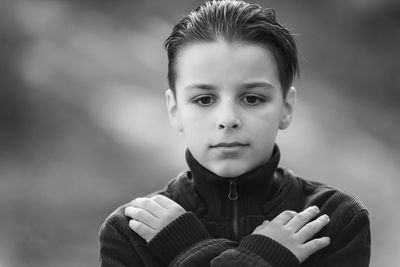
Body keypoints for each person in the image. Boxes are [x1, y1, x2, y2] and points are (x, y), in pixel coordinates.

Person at [98, 0, 371, 266]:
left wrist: (187, 248)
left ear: (286, 108)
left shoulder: (332, 220)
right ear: (175, 109)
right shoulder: (132, 229)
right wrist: (262, 259)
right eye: (204, 99)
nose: (228, 120)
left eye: (252, 99)